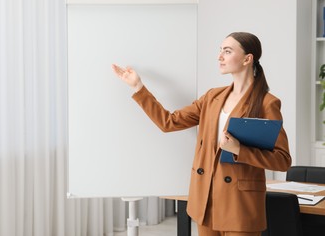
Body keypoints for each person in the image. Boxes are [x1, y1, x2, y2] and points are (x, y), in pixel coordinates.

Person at [111, 32, 291, 236]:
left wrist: (239, 150)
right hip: (205, 202)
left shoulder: (267, 103)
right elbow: (168, 122)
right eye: (220, 50)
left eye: (227, 51)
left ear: (247, 59)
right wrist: (137, 87)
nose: (220, 56)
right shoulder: (212, 97)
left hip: (240, 206)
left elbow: (282, 160)